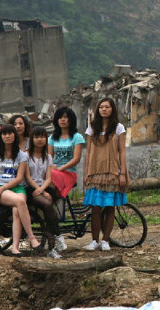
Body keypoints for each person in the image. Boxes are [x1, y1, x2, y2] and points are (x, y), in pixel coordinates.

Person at [0, 124, 41, 255]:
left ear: (14, 136)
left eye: (10, 133)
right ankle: (32, 237)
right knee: (20, 202)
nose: (7, 136)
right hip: (0, 188)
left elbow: (19, 178)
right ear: (1, 137)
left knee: (17, 210)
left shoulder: (21, 155)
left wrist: (5, 187)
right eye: (4, 134)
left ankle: (15, 248)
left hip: (17, 187)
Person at [83, 98, 129, 251]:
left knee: (110, 207)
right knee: (95, 208)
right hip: (95, 172)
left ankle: (105, 240)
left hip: (113, 172)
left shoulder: (118, 127)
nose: (104, 109)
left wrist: (122, 173)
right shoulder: (92, 128)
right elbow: (88, 152)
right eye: (101, 107)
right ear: (98, 110)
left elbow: (122, 151)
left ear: (112, 109)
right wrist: (86, 173)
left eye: (107, 107)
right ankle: (94, 240)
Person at [25, 126, 64, 259]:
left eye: (42, 137)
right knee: (48, 205)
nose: (39, 140)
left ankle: (52, 248)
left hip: (45, 187)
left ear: (46, 139)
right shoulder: (26, 155)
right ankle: (58, 236)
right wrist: (40, 190)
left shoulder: (48, 157)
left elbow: (48, 178)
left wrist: (43, 190)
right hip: (31, 188)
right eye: (36, 137)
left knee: (48, 214)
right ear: (32, 139)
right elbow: (28, 177)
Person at [48, 106, 85, 173]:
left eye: (65, 117)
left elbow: (76, 159)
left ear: (71, 119)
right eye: (60, 117)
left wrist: (61, 168)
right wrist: (53, 167)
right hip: (54, 171)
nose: (62, 119)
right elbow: (49, 157)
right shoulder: (52, 138)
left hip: (70, 172)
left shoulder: (77, 137)